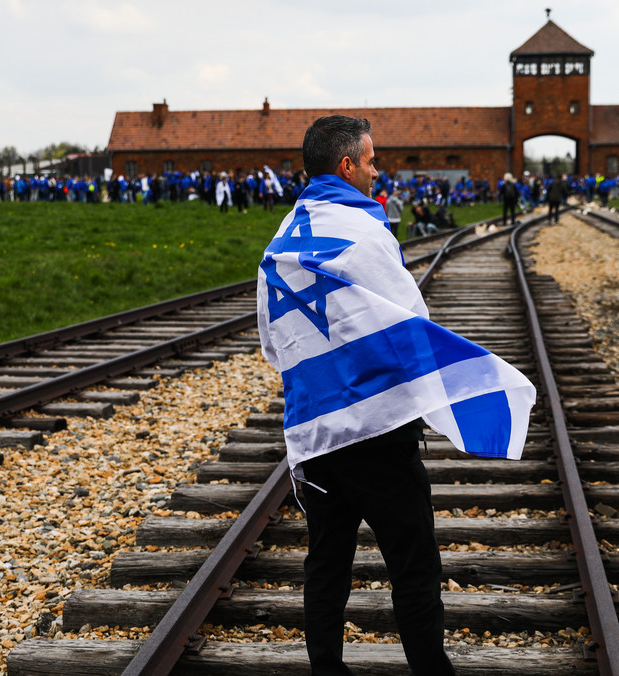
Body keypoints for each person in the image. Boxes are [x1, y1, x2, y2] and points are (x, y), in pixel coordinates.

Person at [257, 115, 473, 676]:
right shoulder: (366, 231)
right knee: (412, 564)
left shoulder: (279, 241)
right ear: (346, 165)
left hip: (315, 434)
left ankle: (327, 669)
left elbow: (274, 343)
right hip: (377, 432)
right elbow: (413, 323)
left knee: (327, 561)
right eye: (372, 160)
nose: (379, 171)